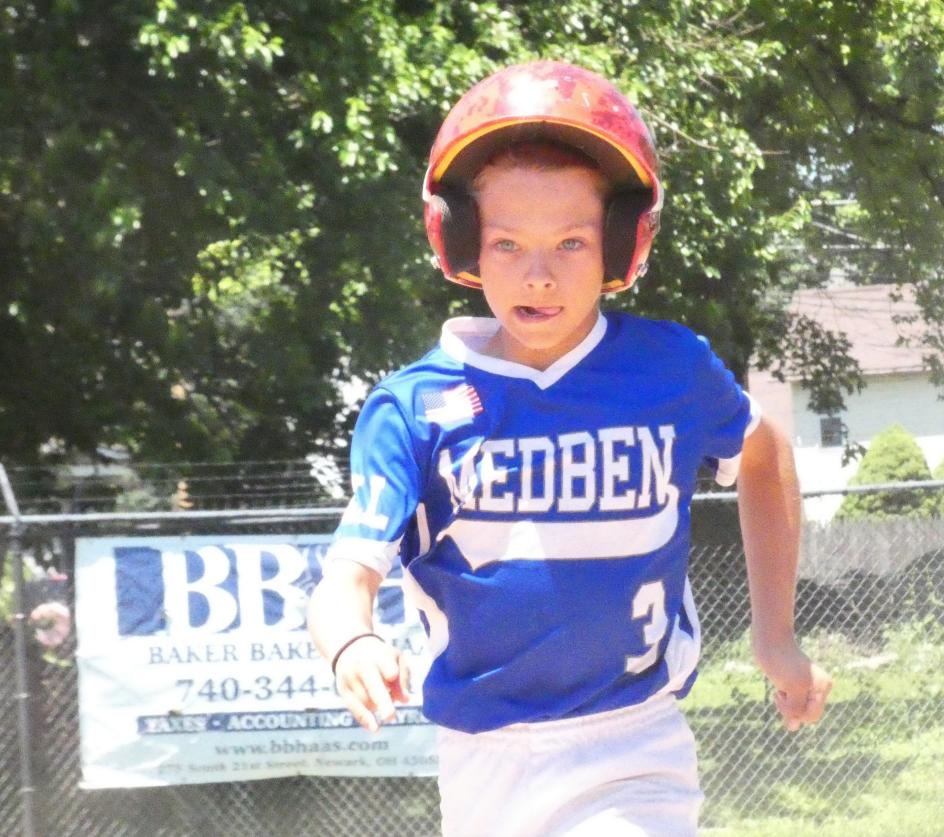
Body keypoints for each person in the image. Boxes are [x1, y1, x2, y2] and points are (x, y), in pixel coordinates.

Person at [307, 60, 832, 836]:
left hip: (635, 739)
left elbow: (764, 453)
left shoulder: (669, 369)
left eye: (573, 243)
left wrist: (775, 633)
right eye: (509, 243)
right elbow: (344, 578)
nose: (540, 274)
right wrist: (351, 638)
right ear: (459, 239)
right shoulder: (413, 408)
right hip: (483, 761)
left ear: (623, 244)